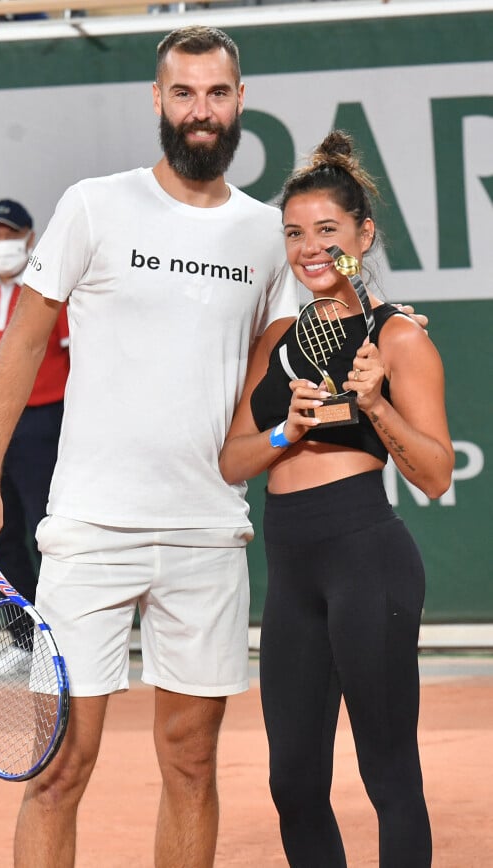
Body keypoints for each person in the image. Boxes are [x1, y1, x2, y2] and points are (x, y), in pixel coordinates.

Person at [0, 28, 428, 868]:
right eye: (183, 93)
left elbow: (313, 310)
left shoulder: (261, 234)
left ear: (239, 103)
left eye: (215, 94)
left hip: (207, 537)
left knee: (192, 766)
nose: (199, 111)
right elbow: (21, 346)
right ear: (158, 101)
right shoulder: (95, 205)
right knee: (59, 770)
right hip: (90, 530)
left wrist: (391, 317)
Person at [219, 130, 454, 867]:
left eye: (327, 231)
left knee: (388, 774)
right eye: (294, 233)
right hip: (291, 575)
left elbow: (436, 473)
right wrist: (284, 433)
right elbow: (232, 461)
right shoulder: (278, 335)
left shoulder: (399, 337)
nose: (309, 248)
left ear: (363, 235)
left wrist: (377, 406)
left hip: (367, 561)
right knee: (292, 781)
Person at [0, 198, 69, 674]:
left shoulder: (49, 290)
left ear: (30, 237)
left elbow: (72, 357)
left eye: (11, 234)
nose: (2, 243)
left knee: (50, 534)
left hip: (45, 420)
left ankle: (59, 638)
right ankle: (26, 642)